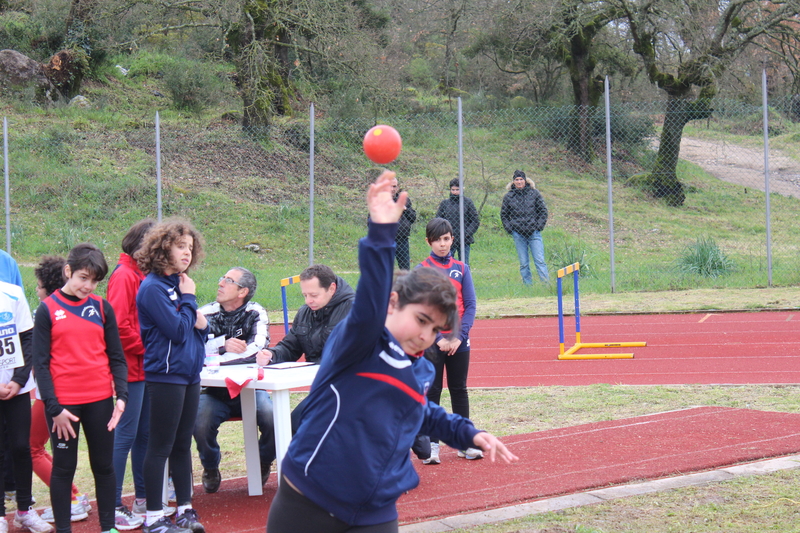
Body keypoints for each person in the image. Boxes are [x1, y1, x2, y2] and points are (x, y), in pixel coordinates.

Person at [266, 171, 518, 533]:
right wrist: (382, 232)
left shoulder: (420, 370)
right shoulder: (358, 341)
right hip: (310, 497)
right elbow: (371, 293)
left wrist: (468, 433)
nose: (426, 335)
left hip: (376, 508)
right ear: (393, 304)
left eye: (435, 329)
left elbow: (422, 411)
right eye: (421, 320)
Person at [32, 243, 129, 533]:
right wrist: (54, 409)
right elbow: (41, 365)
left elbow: (116, 357)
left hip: (100, 402)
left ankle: (108, 527)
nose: (89, 286)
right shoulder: (47, 310)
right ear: (68, 272)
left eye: (95, 280)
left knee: (104, 466)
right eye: (83, 278)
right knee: (63, 469)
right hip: (64, 408)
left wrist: (121, 396)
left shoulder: (101, 308)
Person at [135, 219, 208, 533]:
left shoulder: (178, 284)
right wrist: (190, 301)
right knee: (160, 446)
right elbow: (178, 331)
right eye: (181, 247)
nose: (187, 253)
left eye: (190, 248)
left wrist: (195, 317)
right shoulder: (152, 287)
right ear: (164, 247)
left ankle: (185, 509)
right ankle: (154, 517)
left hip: (190, 374)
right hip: (166, 375)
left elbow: (201, 330)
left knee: (182, 445)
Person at [107, 218, 167, 530]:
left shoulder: (138, 274)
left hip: (143, 368)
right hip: (130, 369)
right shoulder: (125, 276)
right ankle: (113, 503)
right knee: (125, 435)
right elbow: (118, 327)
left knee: (144, 434)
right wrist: (151, 347)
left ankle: (143, 497)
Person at [193, 267, 273, 494]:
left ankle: (263, 461)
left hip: (251, 388)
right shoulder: (204, 313)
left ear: (242, 291)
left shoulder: (256, 313)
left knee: (271, 416)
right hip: (213, 392)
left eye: (227, 280)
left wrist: (213, 358)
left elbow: (257, 349)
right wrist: (221, 346)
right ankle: (210, 466)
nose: (220, 283)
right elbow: (190, 349)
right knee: (200, 420)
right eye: (222, 277)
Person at [255, 264, 354, 431]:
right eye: (305, 295)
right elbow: (290, 346)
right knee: (283, 427)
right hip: (322, 386)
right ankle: (262, 458)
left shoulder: (355, 310)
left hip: (350, 387)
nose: (308, 301)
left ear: (332, 288)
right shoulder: (305, 312)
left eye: (314, 295)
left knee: (294, 426)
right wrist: (271, 354)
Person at [31, 256, 92, 524]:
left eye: (39, 283)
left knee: (31, 447)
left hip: (52, 394)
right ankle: (72, 497)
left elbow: (40, 359)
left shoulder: (46, 311)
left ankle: (73, 498)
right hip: (55, 392)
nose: (36, 288)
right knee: (38, 447)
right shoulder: (62, 308)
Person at [416, 218, 479, 465]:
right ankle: (432, 446)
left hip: (459, 340)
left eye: (446, 239)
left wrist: (457, 337)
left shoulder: (462, 269)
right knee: (433, 391)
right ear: (428, 241)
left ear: (452, 239)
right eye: (437, 240)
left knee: (459, 389)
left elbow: (470, 305)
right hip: (433, 342)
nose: (442, 244)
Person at [0, 257, 51, 533]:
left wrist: (19, 381)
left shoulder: (12, 294)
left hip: (16, 388)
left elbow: (27, 339)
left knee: (21, 447)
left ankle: (24, 510)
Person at [500, 170, 549, 284]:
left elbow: (543, 211)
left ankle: (546, 285)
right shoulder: (509, 197)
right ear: (513, 181)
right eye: (516, 180)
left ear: (525, 180)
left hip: (534, 232)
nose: (519, 181)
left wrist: (538, 226)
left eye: (521, 179)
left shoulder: (534, 193)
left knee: (539, 260)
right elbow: (504, 214)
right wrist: (510, 229)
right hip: (518, 233)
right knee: (523, 262)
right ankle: (527, 285)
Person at [435, 178, 480, 266]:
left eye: (457, 190)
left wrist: (467, 233)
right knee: (446, 263)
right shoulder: (445, 204)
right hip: (448, 239)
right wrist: (444, 235)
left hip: (464, 239)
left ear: (462, 189)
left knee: (464, 264)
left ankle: (464, 279)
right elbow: (438, 220)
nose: (455, 192)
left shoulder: (468, 203)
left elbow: (475, 220)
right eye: (453, 190)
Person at [391, 176, 416, 270]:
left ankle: (405, 285)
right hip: (385, 241)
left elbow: (413, 218)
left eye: (394, 186)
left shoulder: (404, 200)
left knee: (405, 270)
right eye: (390, 186)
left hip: (402, 240)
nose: (392, 189)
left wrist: (405, 210)